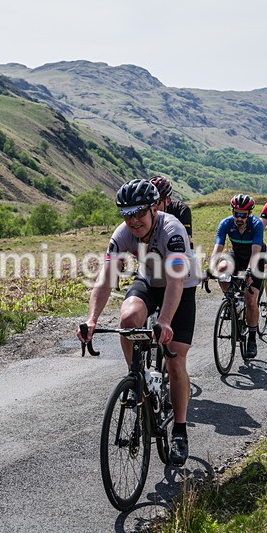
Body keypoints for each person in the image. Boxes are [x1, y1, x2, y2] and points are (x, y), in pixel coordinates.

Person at [77, 178, 200, 467]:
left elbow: (175, 280)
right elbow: (106, 278)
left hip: (181, 285)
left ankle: (179, 430)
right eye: (126, 214)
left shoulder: (172, 231)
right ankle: (137, 378)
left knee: (175, 359)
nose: (133, 221)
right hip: (148, 280)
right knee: (129, 318)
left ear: (153, 209)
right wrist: (91, 320)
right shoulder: (123, 234)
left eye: (139, 213)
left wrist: (166, 321)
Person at [209, 193, 264, 358]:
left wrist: (249, 271)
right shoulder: (225, 224)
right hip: (237, 256)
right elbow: (218, 248)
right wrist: (210, 268)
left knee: (251, 300)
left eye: (243, 214)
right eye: (236, 213)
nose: (239, 218)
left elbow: (255, 253)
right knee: (221, 268)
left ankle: (252, 339)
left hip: (255, 259)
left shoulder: (256, 225)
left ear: (249, 214)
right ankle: (231, 300)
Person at [151, 176, 193, 248]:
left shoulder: (181, 210)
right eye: (150, 203)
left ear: (168, 201)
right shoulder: (145, 212)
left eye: (157, 202)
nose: (153, 207)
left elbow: (185, 240)